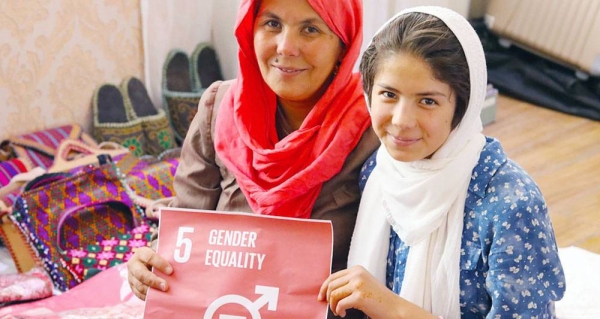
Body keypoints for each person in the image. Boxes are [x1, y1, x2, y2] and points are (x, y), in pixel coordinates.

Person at [127, 0, 378, 316]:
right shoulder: (218, 107)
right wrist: (149, 261)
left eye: (311, 29)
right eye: (272, 24)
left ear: (344, 43)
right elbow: (184, 225)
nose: (286, 47)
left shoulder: (375, 126)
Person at [318, 6, 565, 319]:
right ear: (369, 94)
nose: (401, 121)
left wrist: (391, 307)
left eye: (428, 101)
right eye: (389, 94)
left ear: (461, 106)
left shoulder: (511, 204)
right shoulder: (379, 172)